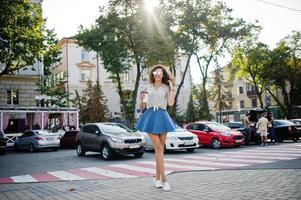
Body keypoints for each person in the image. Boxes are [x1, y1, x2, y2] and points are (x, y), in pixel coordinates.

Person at [135, 64, 177, 192]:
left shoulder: (166, 88)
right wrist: (142, 100)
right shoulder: (147, 88)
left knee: (160, 149)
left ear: (163, 75)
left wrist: (171, 88)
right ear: (152, 75)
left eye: (159, 72)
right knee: (158, 147)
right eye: (155, 72)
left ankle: (157, 178)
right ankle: (164, 180)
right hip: (150, 116)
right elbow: (142, 107)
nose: (157, 74)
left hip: (162, 115)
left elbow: (170, 103)